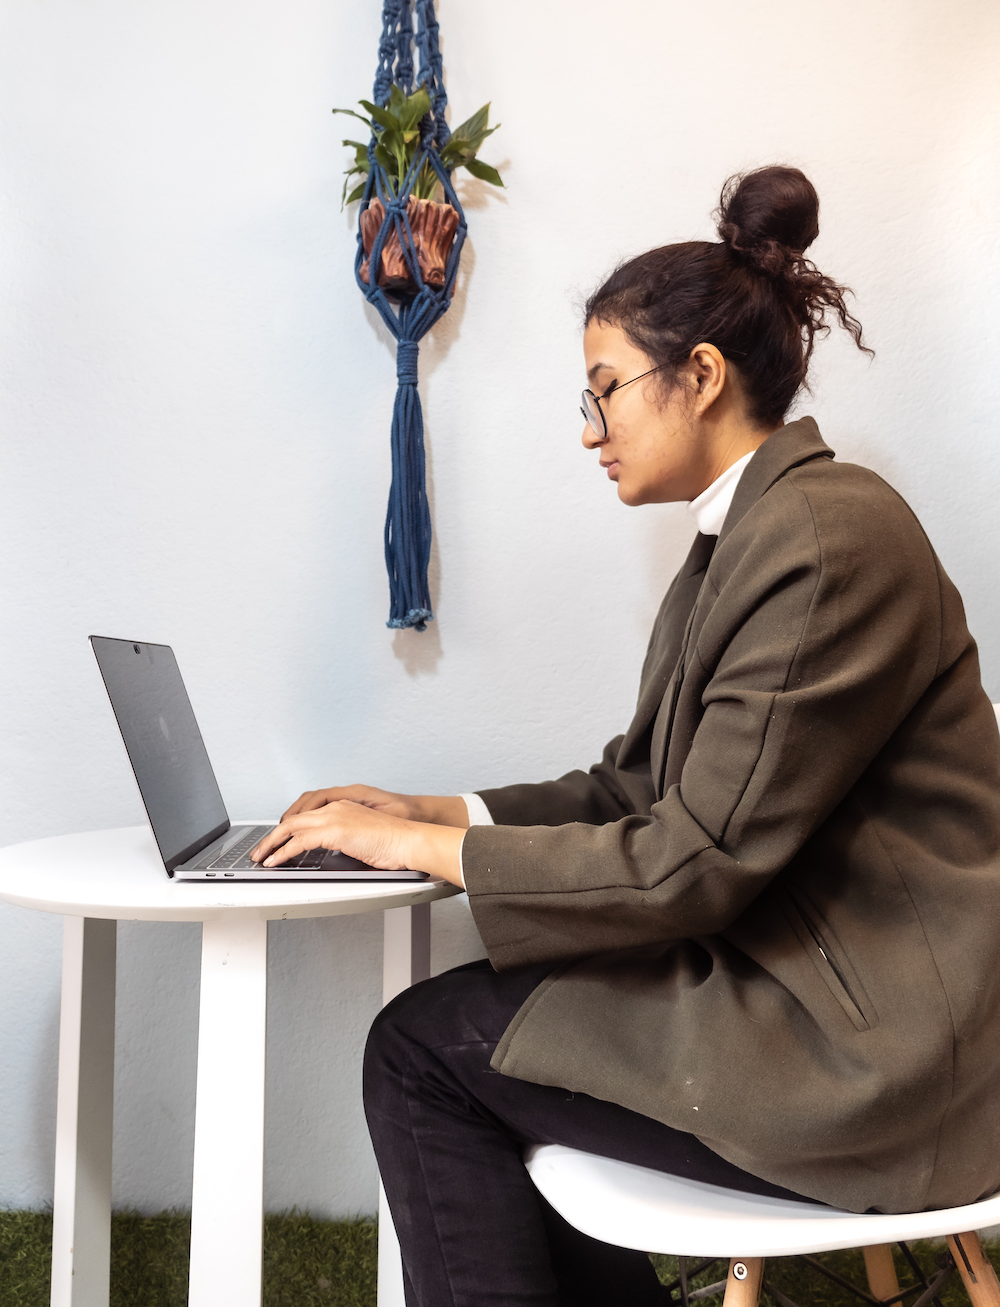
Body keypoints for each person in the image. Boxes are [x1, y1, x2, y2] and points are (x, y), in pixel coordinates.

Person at [252, 166, 1000, 1307]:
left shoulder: (819, 541)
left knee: (424, 1054)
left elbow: (691, 863)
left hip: (880, 1056)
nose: (590, 429)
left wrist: (426, 856)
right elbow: (635, 785)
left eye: (604, 389)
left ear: (698, 378)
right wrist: (430, 812)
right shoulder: (745, 539)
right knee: (459, 1033)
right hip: (824, 1003)